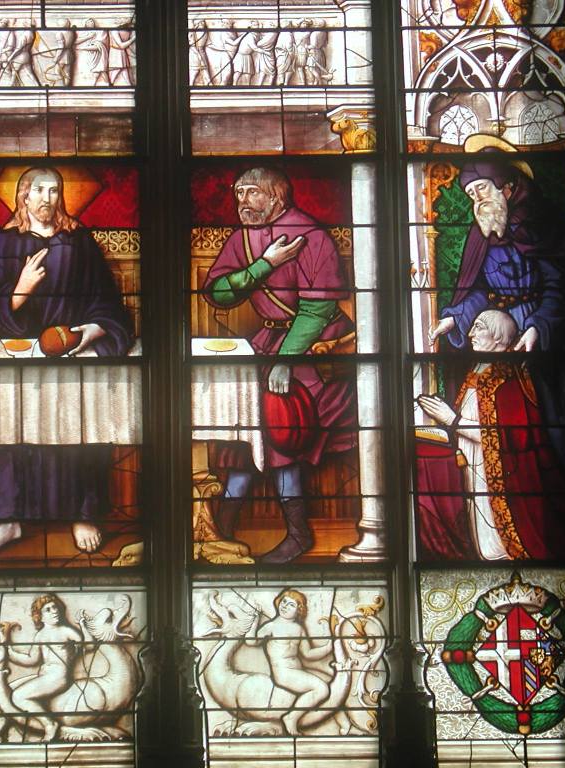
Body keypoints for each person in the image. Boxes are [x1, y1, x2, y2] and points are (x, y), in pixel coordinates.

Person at [0, 167, 133, 555]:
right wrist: (19, 292)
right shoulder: (2, 245)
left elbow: (107, 303)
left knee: (77, 427)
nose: (46, 198)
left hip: (68, 352)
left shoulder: (79, 243)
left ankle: (80, 513)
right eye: (38, 190)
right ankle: (8, 520)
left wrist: (92, 331)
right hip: (17, 358)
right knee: (2, 428)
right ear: (23, 195)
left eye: (54, 190)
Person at [203, 167, 357, 563]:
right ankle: (220, 532)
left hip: (316, 347)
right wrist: (264, 265)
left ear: (276, 196)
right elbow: (217, 293)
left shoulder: (311, 236)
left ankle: (298, 534)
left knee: (280, 428)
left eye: (252, 192)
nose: (243, 201)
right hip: (267, 343)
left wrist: (285, 361)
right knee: (244, 431)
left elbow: (317, 310)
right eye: (239, 192)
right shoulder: (242, 239)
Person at [428, 134, 565, 491]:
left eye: (482, 189)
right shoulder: (482, 234)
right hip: (498, 341)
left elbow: (563, 286)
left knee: (542, 430)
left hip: (543, 345)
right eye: (471, 194)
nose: (477, 199)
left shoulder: (547, 224)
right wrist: (456, 316)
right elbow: (479, 290)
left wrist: (538, 326)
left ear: (506, 185)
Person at [417, 310, 565, 559]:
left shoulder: (508, 380)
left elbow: (508, 437)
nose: (470, 333)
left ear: (499, 337)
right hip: (474, 467)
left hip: (503, 477)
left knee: (496, 547)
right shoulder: (478, 372)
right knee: (481, 539)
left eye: (478, 327)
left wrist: (452, 420)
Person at [0, 593, 81, 742]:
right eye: (48, 609)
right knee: (9, 690)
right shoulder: (40, 635)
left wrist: (83, 630)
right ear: (39, 617)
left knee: (18, 696)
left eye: (55, 607)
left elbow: (86, 643)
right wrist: (11, 652)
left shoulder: (65, 631)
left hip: (58, 677)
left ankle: (49, 724)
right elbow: (32, 659)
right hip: (45, 676)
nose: (54, 611)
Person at [249, 589, 332, 735]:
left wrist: (328, 647)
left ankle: (295, 717)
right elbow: (252, 641)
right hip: (284, 673)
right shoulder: (271, 626)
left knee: (324, 685)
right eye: (284, 601)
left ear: (299, 610)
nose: (285, 606)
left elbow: (308, 654)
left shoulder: (298, 629)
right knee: (322, 689)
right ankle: (291, 717)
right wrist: (254, 622)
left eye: (291, 604)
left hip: (296, 671)